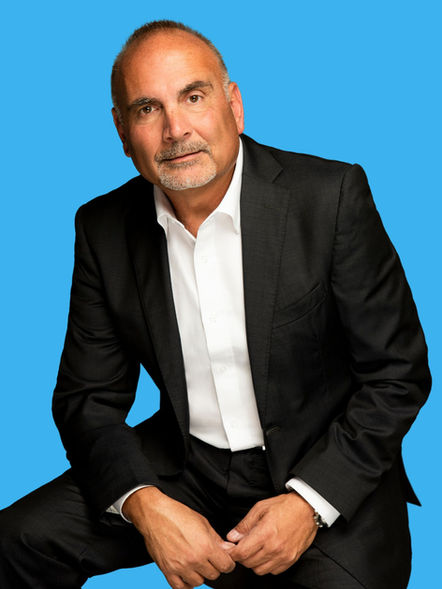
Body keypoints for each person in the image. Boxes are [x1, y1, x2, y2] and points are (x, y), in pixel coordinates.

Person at [0, 19, 431, 589]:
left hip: (320, 460)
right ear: (123, 132)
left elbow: (398, 375)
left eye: (194, 97)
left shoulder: (329, 197)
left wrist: (309, 503)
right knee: (16, 541)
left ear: (234, 106)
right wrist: (144, 503)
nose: (175, 129)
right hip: (182, 464)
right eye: (148, 109)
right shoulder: (103, 227)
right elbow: (89, 400)